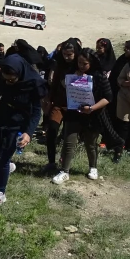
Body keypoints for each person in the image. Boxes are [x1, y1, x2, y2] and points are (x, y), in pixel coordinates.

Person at [0, 54, 45, 206]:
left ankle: (0, 193)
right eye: (6, 79)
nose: (8, 82)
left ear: (20, 73)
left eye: (12, 79)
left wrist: (28, 133)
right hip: (1, 116)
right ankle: (7, 166)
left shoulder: (33, 83)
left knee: (3, 158)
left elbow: (37, 112)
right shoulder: (2, 79)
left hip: (19, 122)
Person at [51, 48, 113, 184]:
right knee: (69, 142)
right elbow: (63, 86)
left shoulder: (99, 76)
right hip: (74, 113)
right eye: (79, 62)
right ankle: (64, 171)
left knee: (90, 143)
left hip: (93, 116)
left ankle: (93, 167)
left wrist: (91, 108)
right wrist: (73, 78)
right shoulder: (72, 72)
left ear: (91, 63)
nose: (81, 66)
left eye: (84, 64)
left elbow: (108, 97)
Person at [44, 40, 80, 173]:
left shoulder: (80, 65)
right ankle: (51, 162)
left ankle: (64, 160)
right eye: (64, 54)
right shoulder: (60, 64)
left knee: (68, 135)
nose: (67, 57)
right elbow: (54, 83)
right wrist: (49, 99)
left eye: (69, 55)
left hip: (74, 105)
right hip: (59, 103)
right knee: (52, 130)